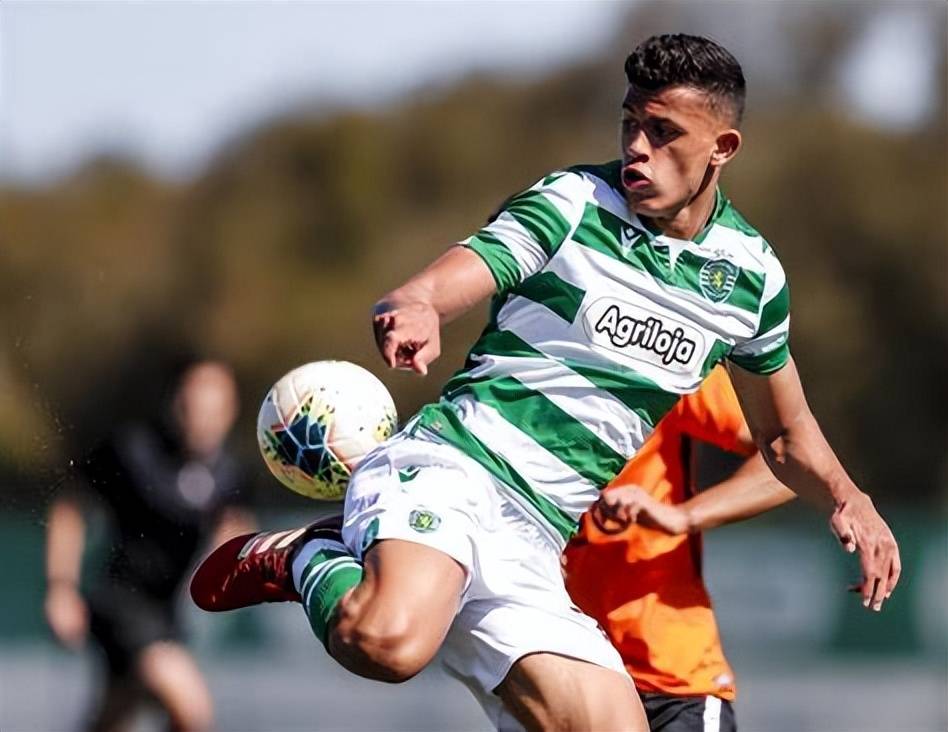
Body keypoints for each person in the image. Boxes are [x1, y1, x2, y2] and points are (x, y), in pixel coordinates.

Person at [190, 34, 900, 731]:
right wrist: (419, 305)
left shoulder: (751, 279)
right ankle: (306, 554)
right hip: (456, 468)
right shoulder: (575, 201)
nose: (637, 147)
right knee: (389, 643)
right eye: (629, 123)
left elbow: (785, 436)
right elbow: (455, 274)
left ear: (723, 147)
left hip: (537, 534)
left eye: (662, 132)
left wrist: (852, 501)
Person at [564, 364, 796, 732]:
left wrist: (682, 516)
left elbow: (789, 461)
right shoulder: (521, 362)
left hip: (670, 680)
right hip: (566, 673)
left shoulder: (666, 359)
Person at [45, 360, 254, 732]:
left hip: (168, 613)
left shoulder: (229, 471)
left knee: (115, 716)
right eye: (192, 406)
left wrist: (234, 546)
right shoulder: (133, 450)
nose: (202, 419)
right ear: (175, 402)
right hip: (121, 604)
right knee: (190, 709)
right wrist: (61, 588)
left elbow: (236, 528)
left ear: (230, 412)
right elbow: (70, 508)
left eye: (214, 410)